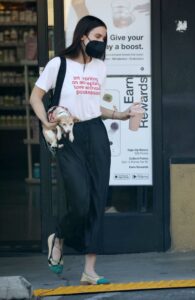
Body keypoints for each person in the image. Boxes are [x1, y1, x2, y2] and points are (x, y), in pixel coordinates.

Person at [30, 15, 133, 285]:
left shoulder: (100, 67)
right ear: (82, 36)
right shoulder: (59, 64)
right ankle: (59, 236)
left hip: (96, 133)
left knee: (97, 200)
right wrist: (45, 120)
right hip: (69, 135)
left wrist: (120, 115)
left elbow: (92, 105)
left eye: (105, 38)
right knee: (81, 200)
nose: (102, 42)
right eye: (98, 37)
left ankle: (89, 270)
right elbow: (35, 96)